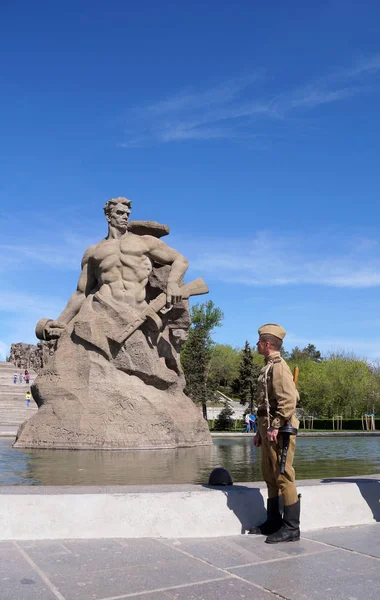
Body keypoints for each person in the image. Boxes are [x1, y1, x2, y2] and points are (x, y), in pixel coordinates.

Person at [41, 197, 188, 349]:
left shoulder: (144, 242)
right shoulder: (94, 251)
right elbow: (81, 292)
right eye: (120, 213)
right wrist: (62, 321)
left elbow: (180, 260)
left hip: (136, 313)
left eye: (127, 214)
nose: (125, 217)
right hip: (101, 311)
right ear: (108, 216)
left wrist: (172, 283)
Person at [249, 323, 300, 544]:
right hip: (268, 429)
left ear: (266, 344)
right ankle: (273, 522)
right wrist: (261, 431)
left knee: (283, 475)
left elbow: (288, 400)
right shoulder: (268, 366)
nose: (256, 345)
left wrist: (276, 425)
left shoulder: (279, 367)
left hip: (279, 432)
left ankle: (291, 528)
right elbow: (265, 404)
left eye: (259, 342)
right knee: (270, 476)